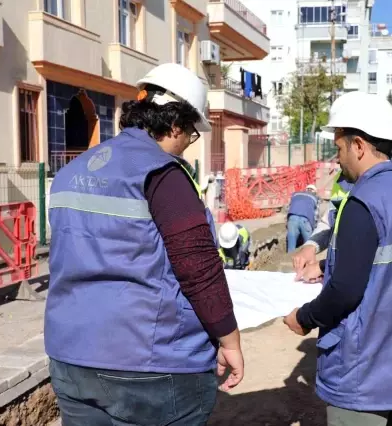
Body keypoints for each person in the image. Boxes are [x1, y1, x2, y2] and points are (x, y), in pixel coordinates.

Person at [45, 63, 244, 426]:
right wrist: (229, 339)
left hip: (71, 356)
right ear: (175, 124)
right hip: (151, 364)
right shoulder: (163, 174)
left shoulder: (69, 174)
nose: (186, 145)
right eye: (190, 135)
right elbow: (199, 268)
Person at [283, 91, 392, 426]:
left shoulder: (363, 201)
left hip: (366, 373)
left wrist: (305, 317)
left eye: (339, 147)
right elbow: (390, 264)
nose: (338, 157)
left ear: (358, 145)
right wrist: (328, 265)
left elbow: (345, 291)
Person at [286, 184, 319, 253]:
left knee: (291, 246)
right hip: (305, 220)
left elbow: (288, 208)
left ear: (306, 189)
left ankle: (290, 260)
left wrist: (288, 222)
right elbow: (316, 215)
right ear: (315, 192)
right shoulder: (315, 198)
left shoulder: (296, 194)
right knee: (309, 245)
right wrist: (314, 228)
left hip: (292, 218)